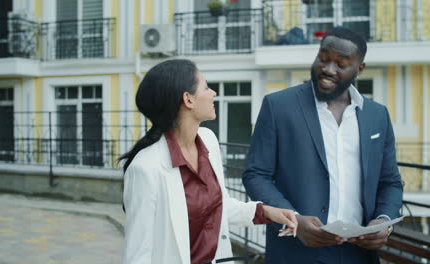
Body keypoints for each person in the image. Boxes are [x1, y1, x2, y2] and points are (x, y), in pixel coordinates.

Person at [242, 27, 403, 264]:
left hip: (359, 254)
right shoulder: (278, 106)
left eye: (341, 64)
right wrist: (293, 219)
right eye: (323, 59)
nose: (328, 69)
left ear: (359, 69)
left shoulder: (377, 115)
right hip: (295, 251)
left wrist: (383, 223)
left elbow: (390, 181)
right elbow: (256, 175)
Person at [120, 59, 298, 264]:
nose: (213, 93)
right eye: (206, 87)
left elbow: (218, 206)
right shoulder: (145, 168)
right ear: (188, 99)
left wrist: (267, 211)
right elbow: (137, 253)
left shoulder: (208, 141)